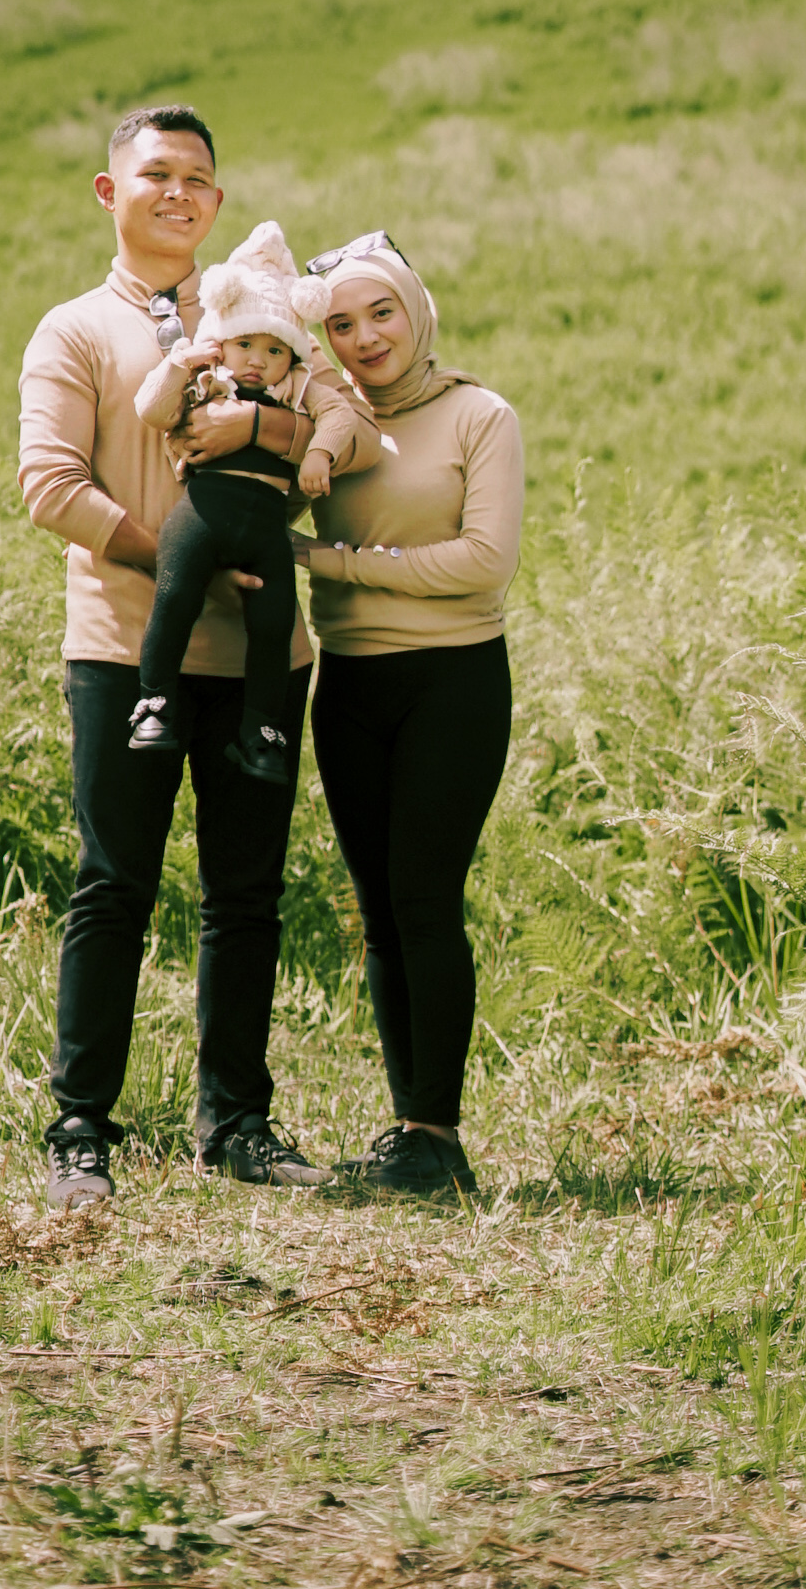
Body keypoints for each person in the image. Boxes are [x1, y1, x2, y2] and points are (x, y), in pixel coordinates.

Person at [17, 108, 375, 1210]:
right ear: (109, 191)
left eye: (197, 179)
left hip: (265, 659)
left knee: (246, 895)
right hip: (127, 649)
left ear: (217, 202)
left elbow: (348, 428)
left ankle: (236, 1124)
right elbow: (50, 486)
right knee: (112, 884)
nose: (178, 193)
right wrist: (186, 564)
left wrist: (262, 433)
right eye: (155, 174)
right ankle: (81, 1126)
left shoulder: (265, 324)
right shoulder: (75, 331)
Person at [290, 231, 522, 1200]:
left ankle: (439, 1134)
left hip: (452, 682)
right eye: (341, 324)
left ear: (415, 312)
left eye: (380, 312)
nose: (365, 336)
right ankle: (408, 1134)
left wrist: (332, 561)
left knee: (424, 896)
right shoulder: (323, 424)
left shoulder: (480, 415)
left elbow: (484, 561)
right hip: (348, 685)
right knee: (379, 910)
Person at [130, 221, 372, 786]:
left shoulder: (298, 386)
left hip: (265, 527)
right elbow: (152, 410)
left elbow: (341, 416)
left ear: (292, 353)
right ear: (223, 340)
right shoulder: (208, 377)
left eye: (273, 349)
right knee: (174, 596)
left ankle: (262, 732)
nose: (257, 362)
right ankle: (153, 703)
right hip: (202, 513)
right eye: (245, 345)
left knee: (274, 622)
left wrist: (318, 454)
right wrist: (181, 363)